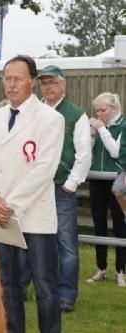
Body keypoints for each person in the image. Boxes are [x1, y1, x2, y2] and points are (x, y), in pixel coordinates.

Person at [0, 55, 64, 333]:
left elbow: (44, 169)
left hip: (34, 215)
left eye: (18, 79)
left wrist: (9, 206)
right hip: (1, 217)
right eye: (7, 79)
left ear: (32, 82)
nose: (11, 85)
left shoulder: (51, 118)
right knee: (7, 283)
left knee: (45, 286)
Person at [20, 65, 92, 313]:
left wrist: (71, 184)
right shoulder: (31, 111)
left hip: (60, 189)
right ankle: (21, 288)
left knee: (66, 244)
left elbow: (84, 155)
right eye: (44, 83)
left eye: (53, 83)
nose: (48, 87)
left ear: (64, 84)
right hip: (33, 187)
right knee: (28, 239)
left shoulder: (76, 115)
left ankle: (66, 295)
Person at [87, 92, 126, 287]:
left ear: (114, 108)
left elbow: (116, 152)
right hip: (96, 179)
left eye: (102, 110)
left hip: (117, 181)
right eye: (97, 111)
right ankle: (101, 268)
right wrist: (91, 136)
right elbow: (89, 153)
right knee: (98, 224)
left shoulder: (122, 125)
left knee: (120, 225)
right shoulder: (100, 126)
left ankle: (121, 271)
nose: (99, 114)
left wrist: (101, 129)